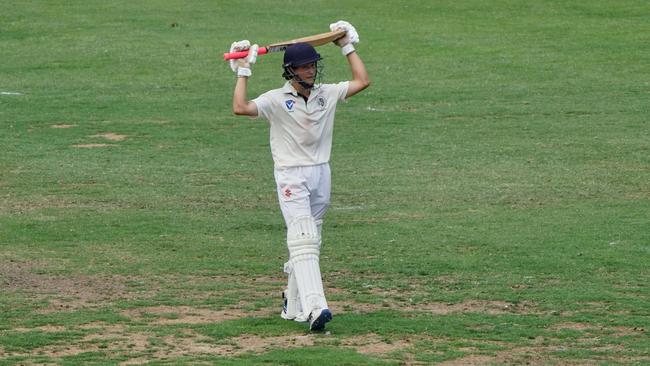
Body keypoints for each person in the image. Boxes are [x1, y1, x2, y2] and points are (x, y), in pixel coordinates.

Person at [229, 20, 370, 331]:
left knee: (309, 240)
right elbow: (240, 107)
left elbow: (362, 80)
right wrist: (243, 71)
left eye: (313, 66)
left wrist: (347, 46)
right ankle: (315, 307)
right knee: (303, 236)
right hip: (291, 174)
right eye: (304, 67)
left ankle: (292, 305)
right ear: (291, 70)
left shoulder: (327, 94)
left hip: (322, 172)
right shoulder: (276, 100)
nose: (310, 71)